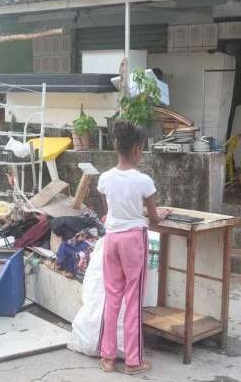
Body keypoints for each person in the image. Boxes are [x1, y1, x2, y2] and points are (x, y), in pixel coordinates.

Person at [97, 120, 170, 374]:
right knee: (133, 300)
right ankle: (133, 361)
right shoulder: (144, 181)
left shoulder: (105, 178)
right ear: (138, 150)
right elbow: (154, 218)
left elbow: (109, 211)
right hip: (133, 241)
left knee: (112, 298)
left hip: (112, 240)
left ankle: (107, 357)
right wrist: (161, 213)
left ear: (117, 147)